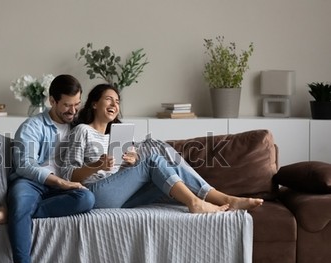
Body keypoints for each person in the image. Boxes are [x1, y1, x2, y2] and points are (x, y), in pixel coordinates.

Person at [61, 83, 263, 212]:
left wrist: (130, 163)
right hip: (96, 193)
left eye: (117, 101)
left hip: (119, 196)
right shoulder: (82, 131)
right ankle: (199, 202)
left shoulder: (118, 135)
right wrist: (97, 165)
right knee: (154, 161)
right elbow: (68, 174)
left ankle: (222, 199)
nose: (114, 103)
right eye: (108, 99)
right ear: (94, 104)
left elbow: (122, 176)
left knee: (166, 165)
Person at [0, 74, 95, 263]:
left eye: (77, 105)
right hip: (31, 182)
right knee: (22, 201)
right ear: (52, 101)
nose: (73, 111)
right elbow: (24, 165)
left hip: (61, 186)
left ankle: (12, 212)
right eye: (67, 105)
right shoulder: (32, 126)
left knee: (86, 198)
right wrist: (58, 181)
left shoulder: (80, 127)